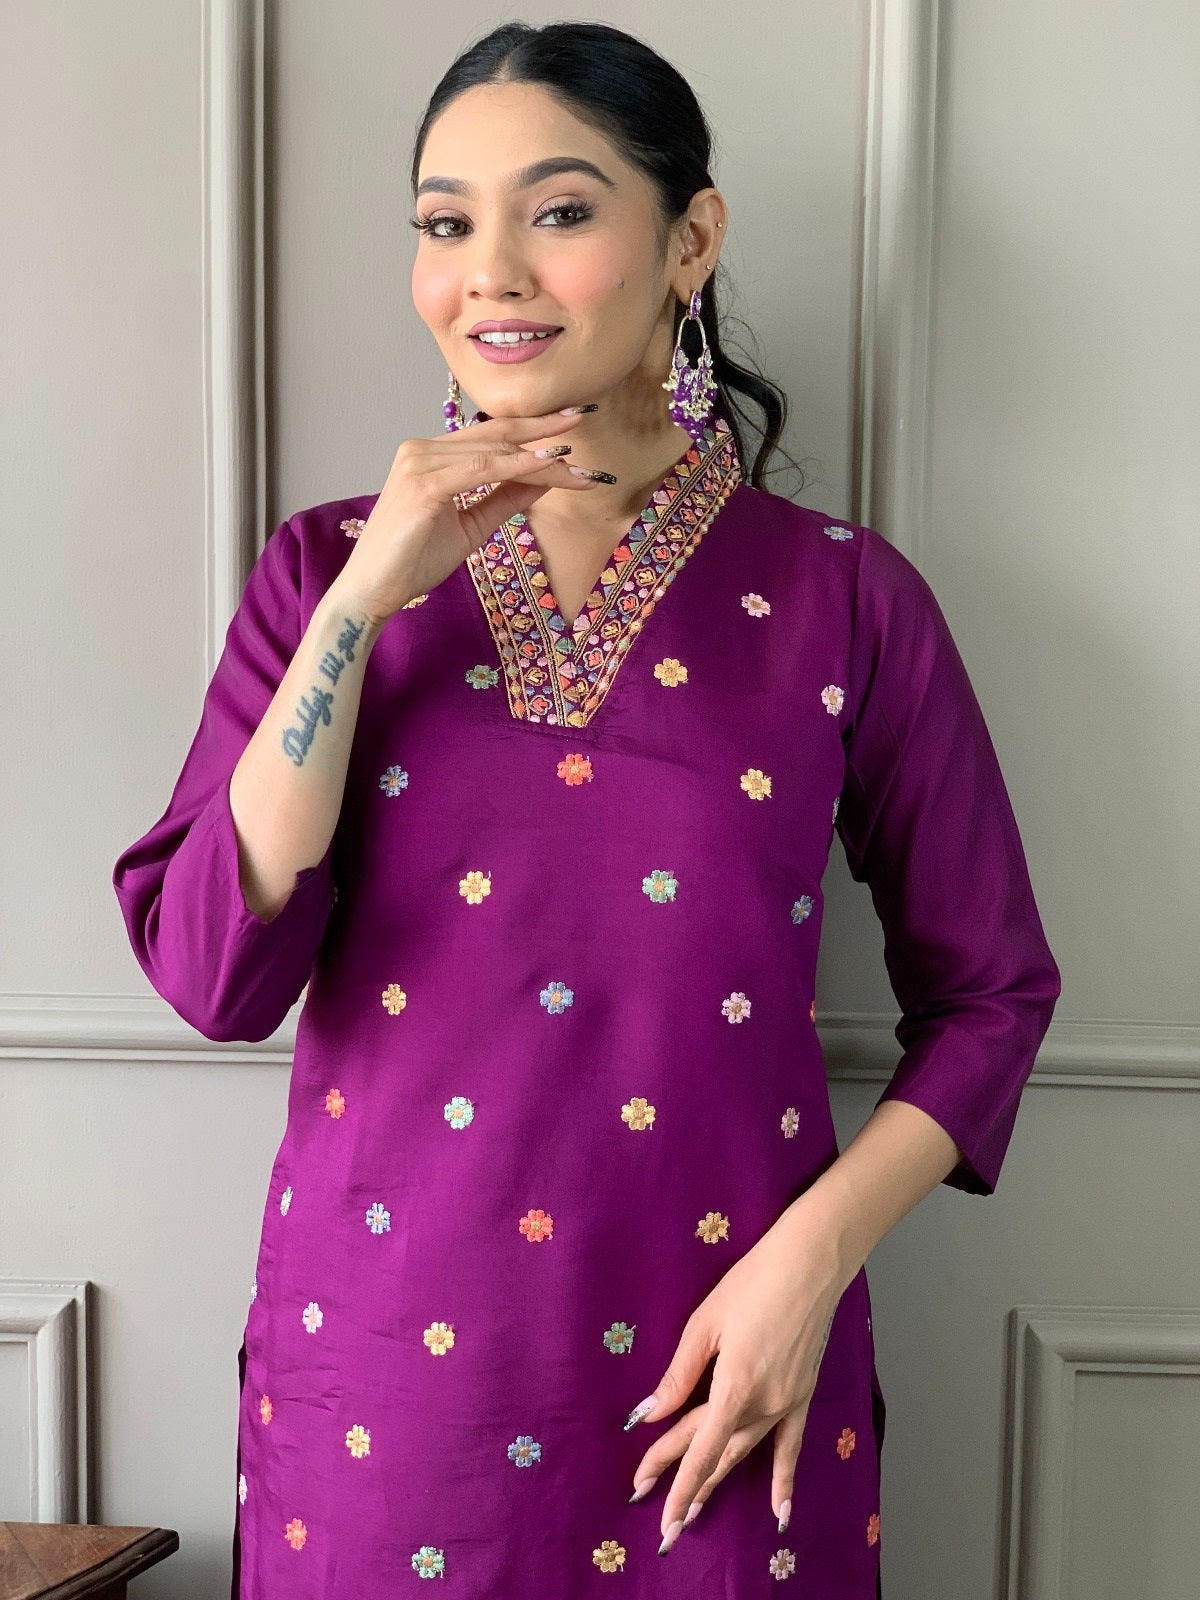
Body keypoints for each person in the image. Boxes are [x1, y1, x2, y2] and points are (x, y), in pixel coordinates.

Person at [111, 20, 1061, 1599]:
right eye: (443, 221)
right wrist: (366, 595)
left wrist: (805, 1271)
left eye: (557, 212)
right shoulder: (319, 572)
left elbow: (993, 996)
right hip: (389, 1407)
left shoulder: (844, 603)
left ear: (689, 240)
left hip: (728, 1385)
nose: (489, 271)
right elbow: (215, 974)